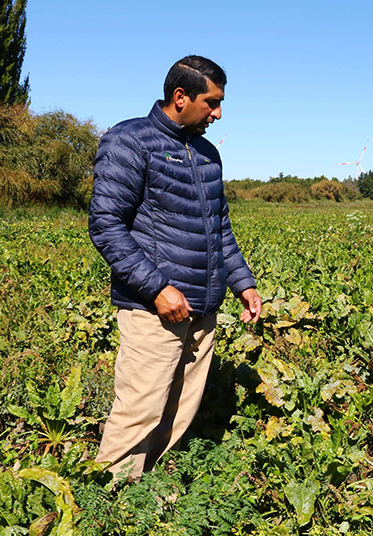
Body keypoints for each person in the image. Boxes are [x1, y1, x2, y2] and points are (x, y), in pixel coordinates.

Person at [88, 55, 261, 481]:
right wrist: (157, 289)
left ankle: (148, 496)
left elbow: (220, 228)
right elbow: (106, 225)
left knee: (181, 407)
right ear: (180, 97)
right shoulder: (129, 142)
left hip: (203, 307)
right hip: (155, 308)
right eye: (212, 102)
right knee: (141, 409)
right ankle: (105, 505)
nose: (218, 113)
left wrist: (243, 284)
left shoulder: (206, 155)